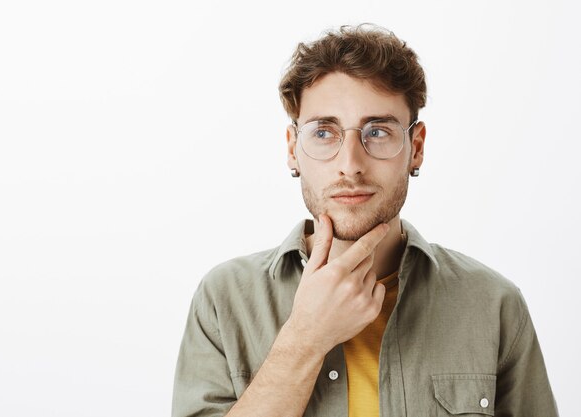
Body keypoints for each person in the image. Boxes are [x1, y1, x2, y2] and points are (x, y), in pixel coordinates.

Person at [172, 24, 558, 417]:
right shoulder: (224, 300)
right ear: (293, 150)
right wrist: (306, 338)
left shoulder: (492, 304)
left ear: (416, 148)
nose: (350, 165)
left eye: (377, 131)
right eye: (324, 132)